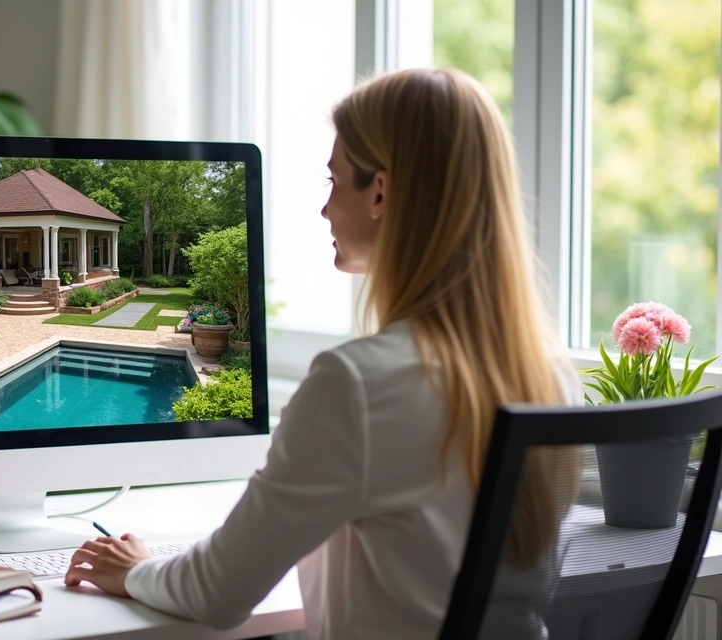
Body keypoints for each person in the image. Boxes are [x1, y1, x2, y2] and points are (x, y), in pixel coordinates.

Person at [63, 68, 583, 639]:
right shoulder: (552, 377)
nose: (325, 210)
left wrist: (137, 570)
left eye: (334, 182)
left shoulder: (358, 385)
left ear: (380, 192)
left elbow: (217, 592)